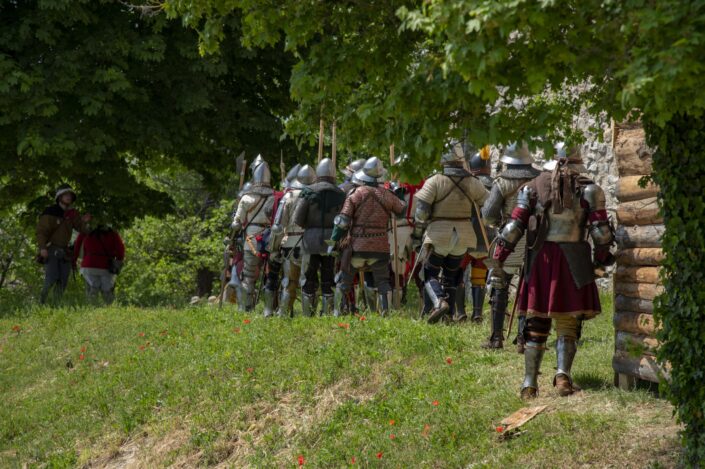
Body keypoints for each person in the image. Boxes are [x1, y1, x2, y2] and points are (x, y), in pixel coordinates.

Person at [492, 142, 615, 399]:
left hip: (541, 259)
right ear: (577, 160)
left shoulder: (532, 187)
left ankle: (529, 384)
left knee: (536, 321)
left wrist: (500, 255)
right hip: (574, 259)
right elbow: (601, 232)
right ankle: (562, 376)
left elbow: (514, 226)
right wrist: (602, 259)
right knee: (568, 321)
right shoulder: (589, 190)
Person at [412, 140, 489, 324]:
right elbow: (488, 204)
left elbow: (421, 214)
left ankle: (439, 302)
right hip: (464, 235)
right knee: (451, 276)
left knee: (429, 273)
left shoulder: (435, 181)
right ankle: (448, 318)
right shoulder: (473, 182)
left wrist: (418, 234)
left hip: (439, 233)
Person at [481, 142, 541, 349]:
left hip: (509, 238)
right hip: (535, 239)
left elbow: (488, 215)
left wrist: (498, 221)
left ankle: (496, 338)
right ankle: (524, 339)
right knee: (530, 287)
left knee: (499, 284)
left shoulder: (502, 182)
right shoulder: (539, 180)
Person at [330, 157, 406, 316]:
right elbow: (401, 212)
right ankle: (385, 313)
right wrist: (398, 193)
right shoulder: (387, 195)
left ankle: (337, 312)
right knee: (383, 282)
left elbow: (343, 221)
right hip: (380, 248)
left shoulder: (356, 193)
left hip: (357, 247)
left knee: (344, 280)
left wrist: (334, 241)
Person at [293, 158, 346, 316]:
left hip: (311, 240)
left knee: (308, 277)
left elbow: (298, 218)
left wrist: (308, 227)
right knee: (328, 277)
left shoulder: (308, 191)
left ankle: (308, 314)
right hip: (332, 240)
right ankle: (328, 313)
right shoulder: (341, 193)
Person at [456, 145, 495, 322]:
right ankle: (477, 313)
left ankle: (461, 312)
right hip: (487, 236)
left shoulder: (466, 184)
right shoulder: (495, 184)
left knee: (457, 274)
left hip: (465, 236)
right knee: (479, 277)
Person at [231, 155, 275, 311]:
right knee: (271, 275)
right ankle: (269, 308)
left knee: (249, 276)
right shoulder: (274, 197)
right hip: (270, 239)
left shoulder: (247, 198)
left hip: (251, 241)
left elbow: (236, 224)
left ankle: (245, 308)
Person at [36, 184, 91, 304]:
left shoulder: (73, 214)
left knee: (63, 280)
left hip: (65, 251)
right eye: (65, 194)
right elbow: (41, 232)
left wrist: (84, 222)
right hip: (51, 248)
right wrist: (42, 248)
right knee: (51, 278)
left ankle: (55, 305)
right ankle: (41, 303)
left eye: (70, 195)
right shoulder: (50, 212)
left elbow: (82, 229)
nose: (68, 197)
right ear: (59, 197)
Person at [73, 224, 125, 304]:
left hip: (88, 265)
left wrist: (74, 261)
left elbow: (77, 246)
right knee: (107, 291)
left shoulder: (86, 231)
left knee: (92, 289)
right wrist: (118, 261)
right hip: (106, 266)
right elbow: (120, 249)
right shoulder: (112, 233)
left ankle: (91, 309)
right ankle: (109, 310)